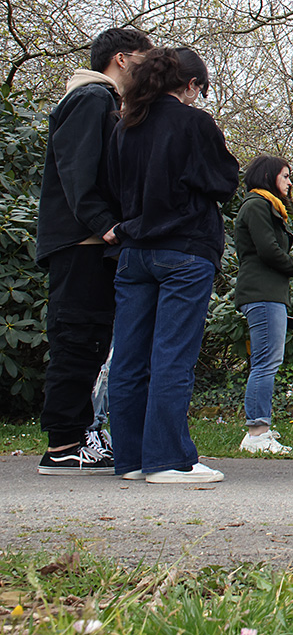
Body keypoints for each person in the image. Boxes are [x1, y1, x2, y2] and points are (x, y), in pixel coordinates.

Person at [106, 46, 239, 483]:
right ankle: (168, 459)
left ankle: (132, 458)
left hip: (134, 251)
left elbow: (113, 187)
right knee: (172, 355)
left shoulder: (126, 126)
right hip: (184, 250)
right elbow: (223, 181)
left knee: (128, 357)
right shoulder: (193, 123)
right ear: (191, 85)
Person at [35, 27, 151, 476]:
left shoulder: (99, 100)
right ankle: (63, 444)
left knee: (91, 338)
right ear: (122, 59)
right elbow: (76, 169)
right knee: (77, 337)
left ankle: (78, 435)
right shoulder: (92, 99)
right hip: (80, 241)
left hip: (87, 241)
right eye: (145, 57)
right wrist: (104, 224)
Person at [233, 156, 293, 456]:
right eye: (285, 176)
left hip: (269, 293)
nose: (289, 182)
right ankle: (257, 432)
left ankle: (260, 428)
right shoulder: (257, 205)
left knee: (267, 362)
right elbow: (268, 250)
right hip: (262, 293)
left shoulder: (268, 206)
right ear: (269, 175)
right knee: (264, 363)